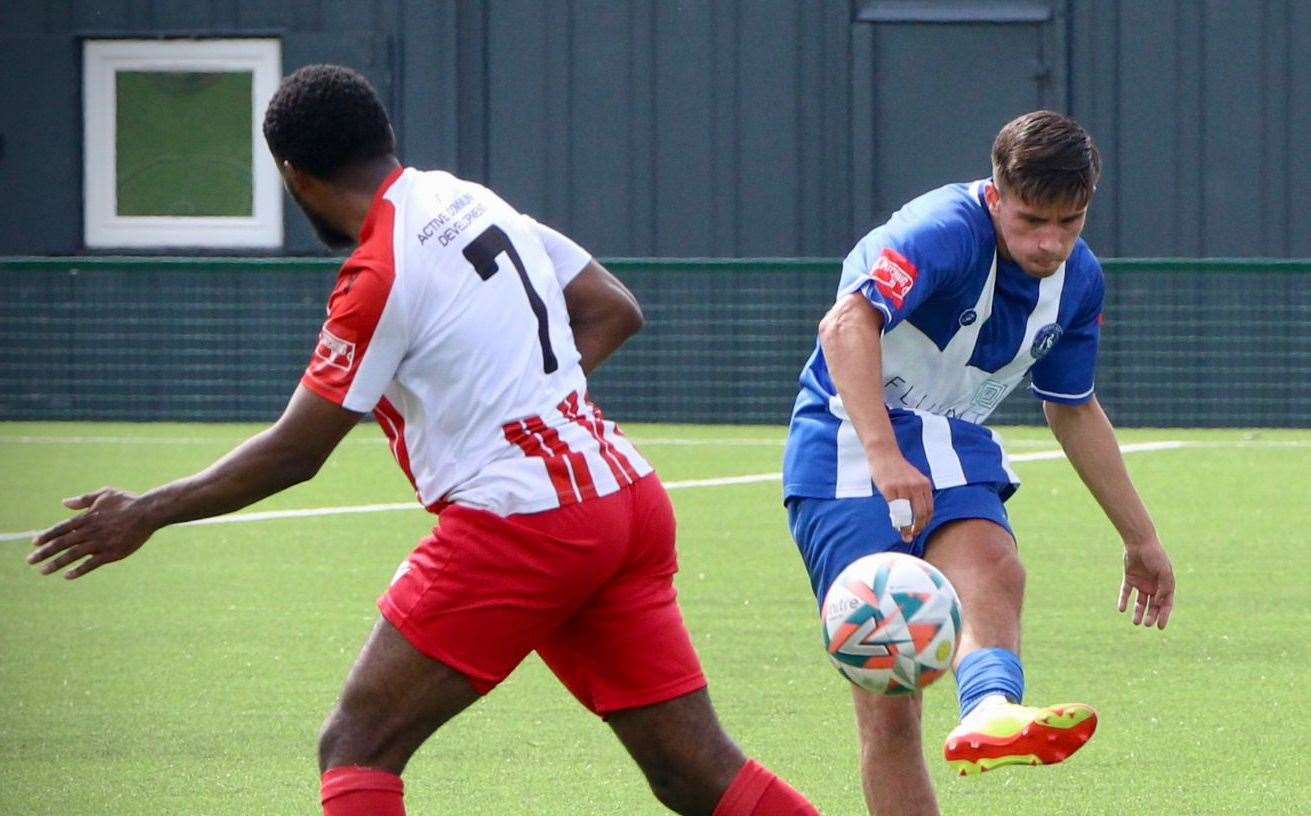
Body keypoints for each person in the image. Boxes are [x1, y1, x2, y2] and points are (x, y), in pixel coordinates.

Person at [27, 64, 820, 816]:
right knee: (694, 772)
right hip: (622, 498)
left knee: (358, 745)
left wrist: (146, 512)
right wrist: (528, 397)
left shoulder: (377, 272)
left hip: (524, 521)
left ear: (295, 175)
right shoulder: (468, 197)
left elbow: (297, 451)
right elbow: (613, 306)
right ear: (385, 140)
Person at [781, 110, 1176, 815]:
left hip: (948, 435)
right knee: (888, 705)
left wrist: (1139, 537)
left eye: (1070, 221)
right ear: (994, 195)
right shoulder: (940, 231)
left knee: (993, 560)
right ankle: (985, 704)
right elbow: (845, 324)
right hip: (844, 442)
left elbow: (1073, 406)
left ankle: (990, 707)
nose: (1050, 242)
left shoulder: (1078, 282)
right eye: (1030, 221)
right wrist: (882, 456)